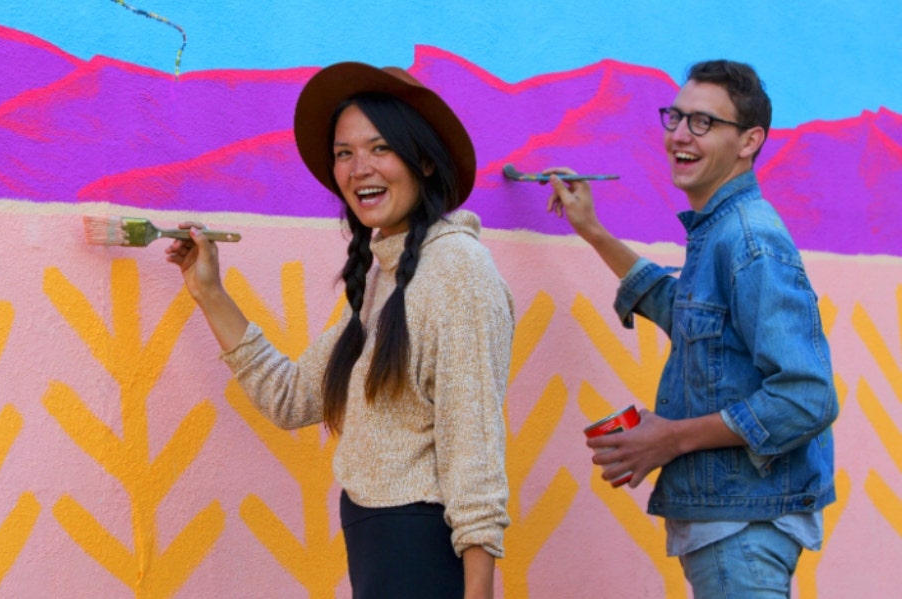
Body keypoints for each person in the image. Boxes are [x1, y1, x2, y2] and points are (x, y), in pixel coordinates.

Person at [166, 62, 513, 598]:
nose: (359, 169)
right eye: (344, 154)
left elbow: (475, 453)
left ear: (422, 160)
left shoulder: (458, 271)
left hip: (421, 557)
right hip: (377, 551)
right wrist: (208, 291)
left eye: (379, 149)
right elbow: (291, 398)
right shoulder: (387, 278)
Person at [544, 59, 838, 598]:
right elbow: (684, 312)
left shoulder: (750, 241)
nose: (680, 134)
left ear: (749, 141)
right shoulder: (722, 232)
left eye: (702, 122)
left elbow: (807, 397)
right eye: (675, 117)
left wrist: (670, 439)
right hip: (730, 525)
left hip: (742, 530)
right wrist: (591, 230)